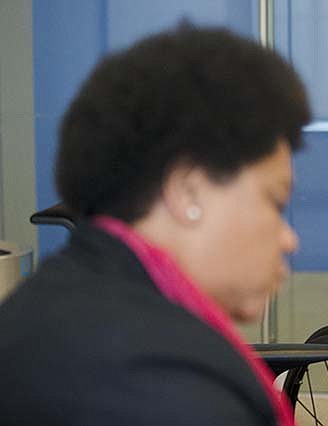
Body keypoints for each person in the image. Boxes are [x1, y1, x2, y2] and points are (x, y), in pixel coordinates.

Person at [0, 25, 310, 425]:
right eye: (275, 201)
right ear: (188, 192)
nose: (290, 239)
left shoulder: (49, 304)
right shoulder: (164, 386)